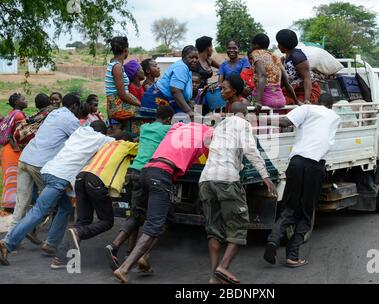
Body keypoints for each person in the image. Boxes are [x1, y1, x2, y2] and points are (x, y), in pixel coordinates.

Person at [0, 121, 115, 266]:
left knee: (65, 208)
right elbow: (117, 143)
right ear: (103, 132)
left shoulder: (80, 132)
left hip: (48, 171)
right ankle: (7, 244)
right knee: (39, 211)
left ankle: (51, 244)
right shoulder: (102, 139)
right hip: (59, 178)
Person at [113, 122, 213, 283]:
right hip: (161, 176)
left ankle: (144, 257)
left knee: (168, 217)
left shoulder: (178, 127)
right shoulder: (208, 133)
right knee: (154, 225)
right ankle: (124, 268)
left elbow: (176, 125)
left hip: (146, 171)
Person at [199, 102, 277, 284]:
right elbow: (251, 150)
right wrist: (265, 176)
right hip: (226, 180)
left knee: (214, 230)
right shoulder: (243, 124)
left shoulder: (219, 126)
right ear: (244, 113)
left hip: (206, 180)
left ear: (230, 112)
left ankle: (214, 277)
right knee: (239, 227)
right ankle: (223, 268)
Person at [264, 94, 340, 268]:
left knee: (290, 208)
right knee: (306, 212)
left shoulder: (307, 108)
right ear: (331, 106)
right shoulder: (335, 117)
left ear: (316, 102)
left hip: (297, 163)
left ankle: (273, 241)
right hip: (315, 166)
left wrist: (260, 118)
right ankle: (292, 256)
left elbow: (284, 122)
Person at [51, 137, 139, 269]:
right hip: (97, 180)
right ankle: (78, 233)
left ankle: (60, 259)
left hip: (81, 177)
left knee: (82, 222)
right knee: (107, 221)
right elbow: (145, 149)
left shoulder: (107, 145)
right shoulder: (128, 145)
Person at [105, 105, 175, 270]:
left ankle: (115, 246)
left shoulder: (144, 128)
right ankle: (143, 255)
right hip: (154, 172)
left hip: (135, 171)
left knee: (136, 214)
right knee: (161, 218)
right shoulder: (168, 130)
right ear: (168, 119)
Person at [7, 94, 81, 248]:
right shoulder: (71, 120)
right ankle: (32, 232)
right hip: (40, 164)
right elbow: (80, 141)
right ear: (74, 106)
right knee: (49, 205)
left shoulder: (54, 113)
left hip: (26, 157)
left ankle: (9, 239)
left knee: (21, 202)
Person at [140, 46, 199, 118]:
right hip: (153, 105)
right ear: (184, 56)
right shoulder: (181, 67)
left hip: (167, 103)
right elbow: (175, 92)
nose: (195, 60)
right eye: (191, 57)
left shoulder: (187, 68)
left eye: (196, 58)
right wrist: (189, 111)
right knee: (183, 120)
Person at [250, 33, 298, 112]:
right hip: (280, 100)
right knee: (273, 122)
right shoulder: (275, 57)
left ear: (255, 45)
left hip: (265, 99)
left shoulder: (256, 53)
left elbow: (262, 75)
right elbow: (286, 81)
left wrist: (258, 102)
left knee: (259, 120)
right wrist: (296, 101)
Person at [276, 29, 321, 105]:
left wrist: (307, 100)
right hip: (293, 91)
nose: (278, 46)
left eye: (279, 43)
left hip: (305, 91)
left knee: (291, 107)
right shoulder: (285, 57)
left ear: (282, 45)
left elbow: (307, 78)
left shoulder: (297, 56)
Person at [0, 93, 27, 209]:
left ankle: (8, 206)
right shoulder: (19, 115)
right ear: (16, 102)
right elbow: (20, 135)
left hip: (6, 150)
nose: (26, 100)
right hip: (14, 151)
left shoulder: (10, 114)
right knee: (15, 179)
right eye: (23, 99)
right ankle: (13, 208)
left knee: (8, 179)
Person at [105, 36, 141, 124]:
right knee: (147, 114)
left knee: (144, 110)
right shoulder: (117, 67)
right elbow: (122, 95)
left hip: (119, 103)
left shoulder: (115, 64)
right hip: (117, 106)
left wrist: (138, 102)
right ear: (125, 50)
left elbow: (125, 93)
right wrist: (140, 104)